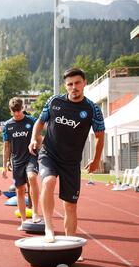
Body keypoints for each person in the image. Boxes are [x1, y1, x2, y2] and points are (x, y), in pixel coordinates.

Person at [29, 68, 105, 243]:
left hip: (71, 162)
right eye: (70, 84)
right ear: (65, 86)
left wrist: (96, 159)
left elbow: (100, 137)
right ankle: (49, 227)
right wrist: (34, 138)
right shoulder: (54, 101)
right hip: (49, 154)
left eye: (77, 83)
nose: (74, 87)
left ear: (84, 83)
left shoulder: (93, 109)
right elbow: (39, 122)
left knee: (70, 206)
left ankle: (71, 244)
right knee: (48, 181)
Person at [2, 97, 42, 230]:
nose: (17, 114)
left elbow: (39, 137)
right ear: (10, 111)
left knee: (32, 177)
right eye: (14, 111)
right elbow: (6, 146)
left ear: (23, 108)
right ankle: (24, 220)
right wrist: (5, 164)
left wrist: (39, 149)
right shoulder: (7, 125)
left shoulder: (32, 120)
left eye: (18, 110)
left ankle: (35, 213)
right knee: (20, 189)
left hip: (31, 156)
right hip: (16, 160)